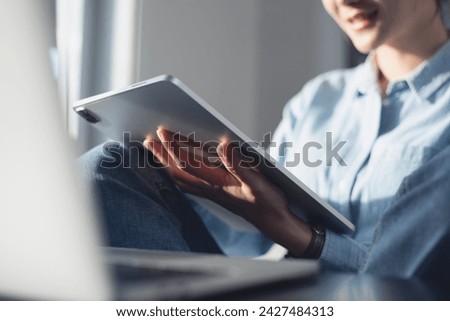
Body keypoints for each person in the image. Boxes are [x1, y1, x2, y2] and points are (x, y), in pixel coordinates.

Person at [80, 0, 450, 287]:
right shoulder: (319, 99)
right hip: (275, 283)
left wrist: (301, 236)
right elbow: (260, 240)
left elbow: (398, 277)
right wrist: (187, 181)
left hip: (371, 298)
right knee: (110, 165)